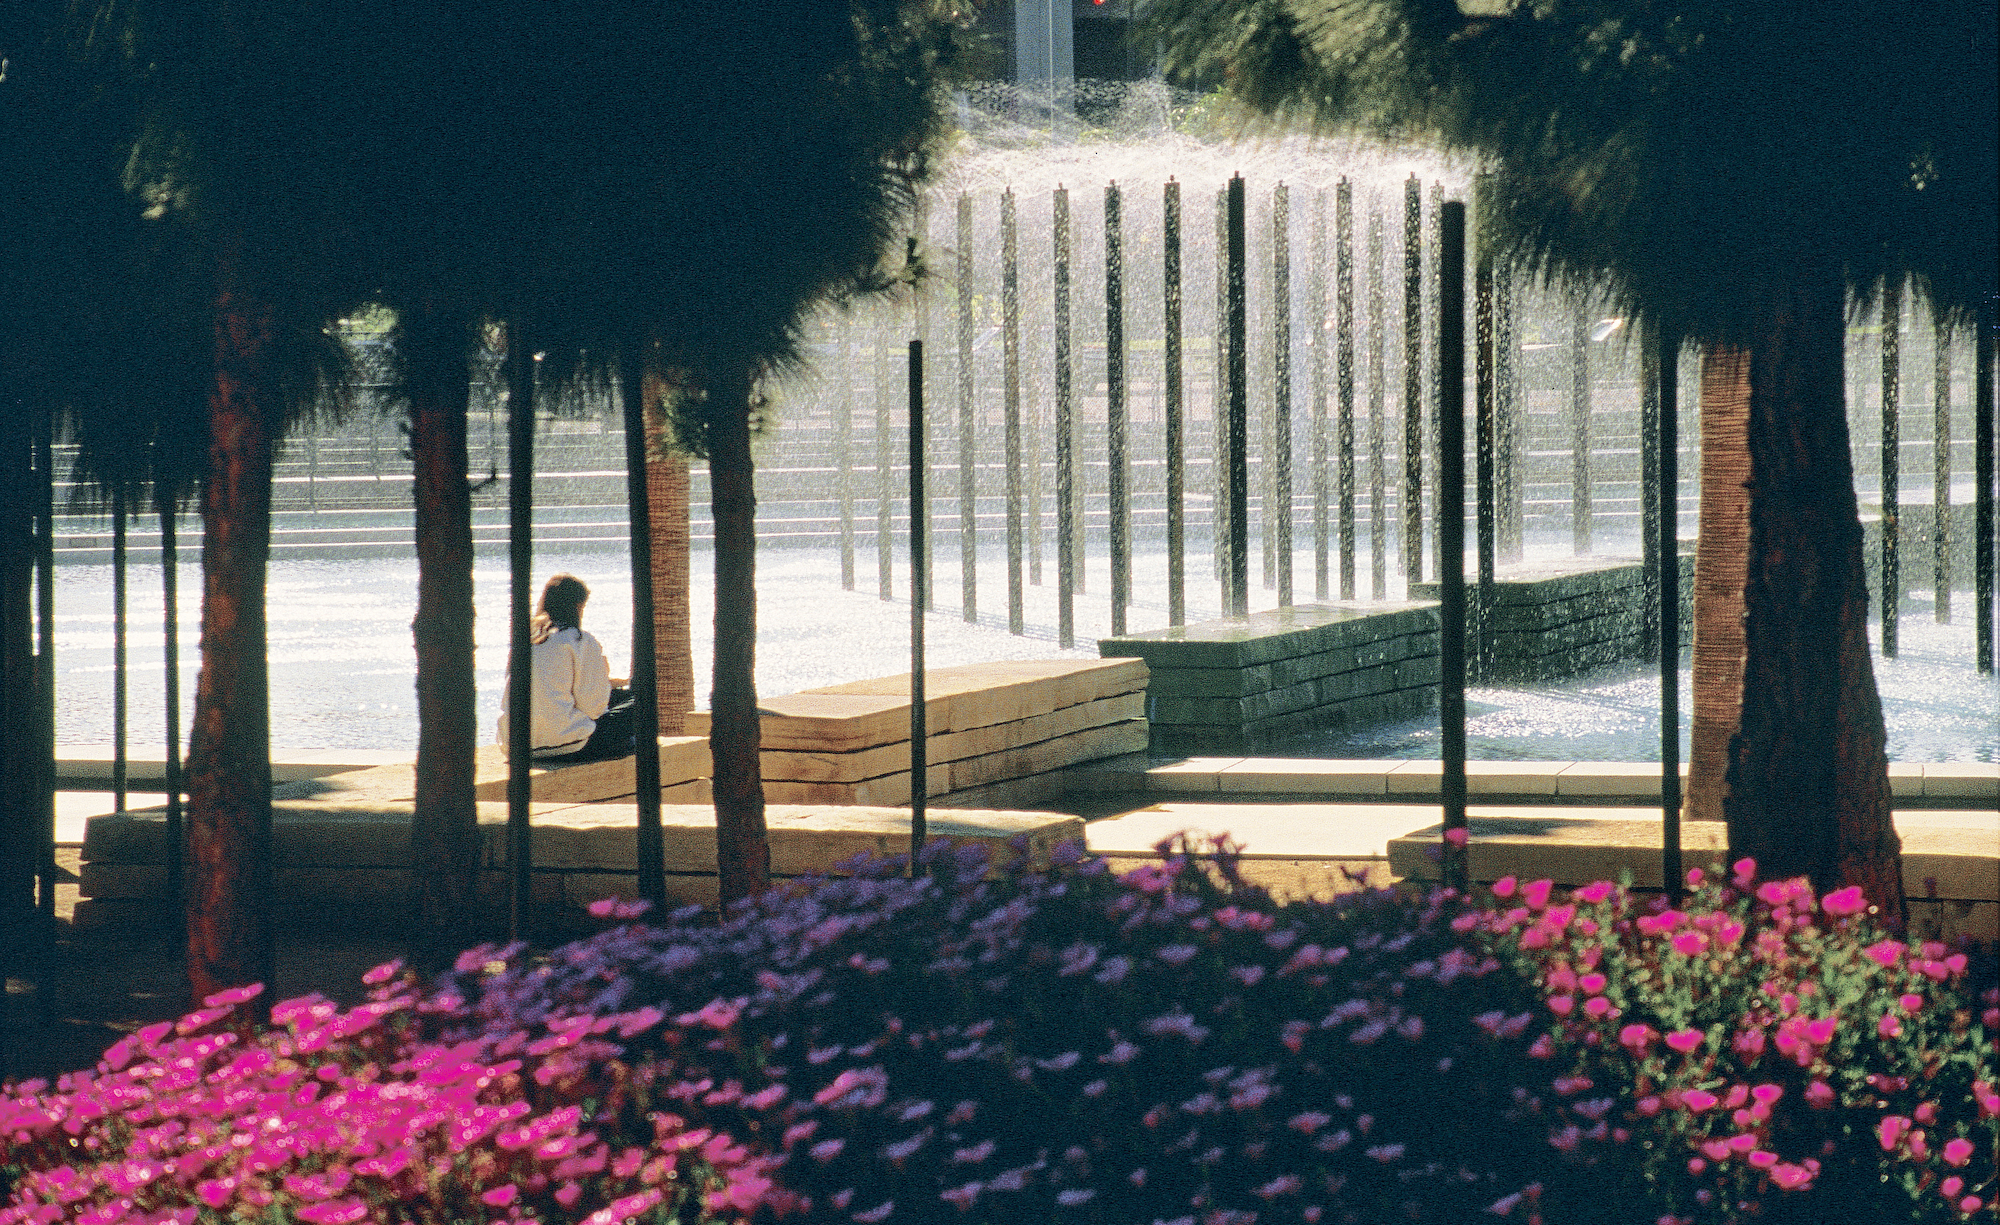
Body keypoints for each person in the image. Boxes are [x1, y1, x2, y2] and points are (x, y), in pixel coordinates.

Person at [497, 574, 636, 761]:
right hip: (567, 745)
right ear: (577, 606)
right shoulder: (579, 640)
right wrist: (603, 675)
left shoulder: (525, 639)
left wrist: (608, 683)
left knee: (618, 697)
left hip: (516, 746)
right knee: (639, 702)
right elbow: (594, 708)